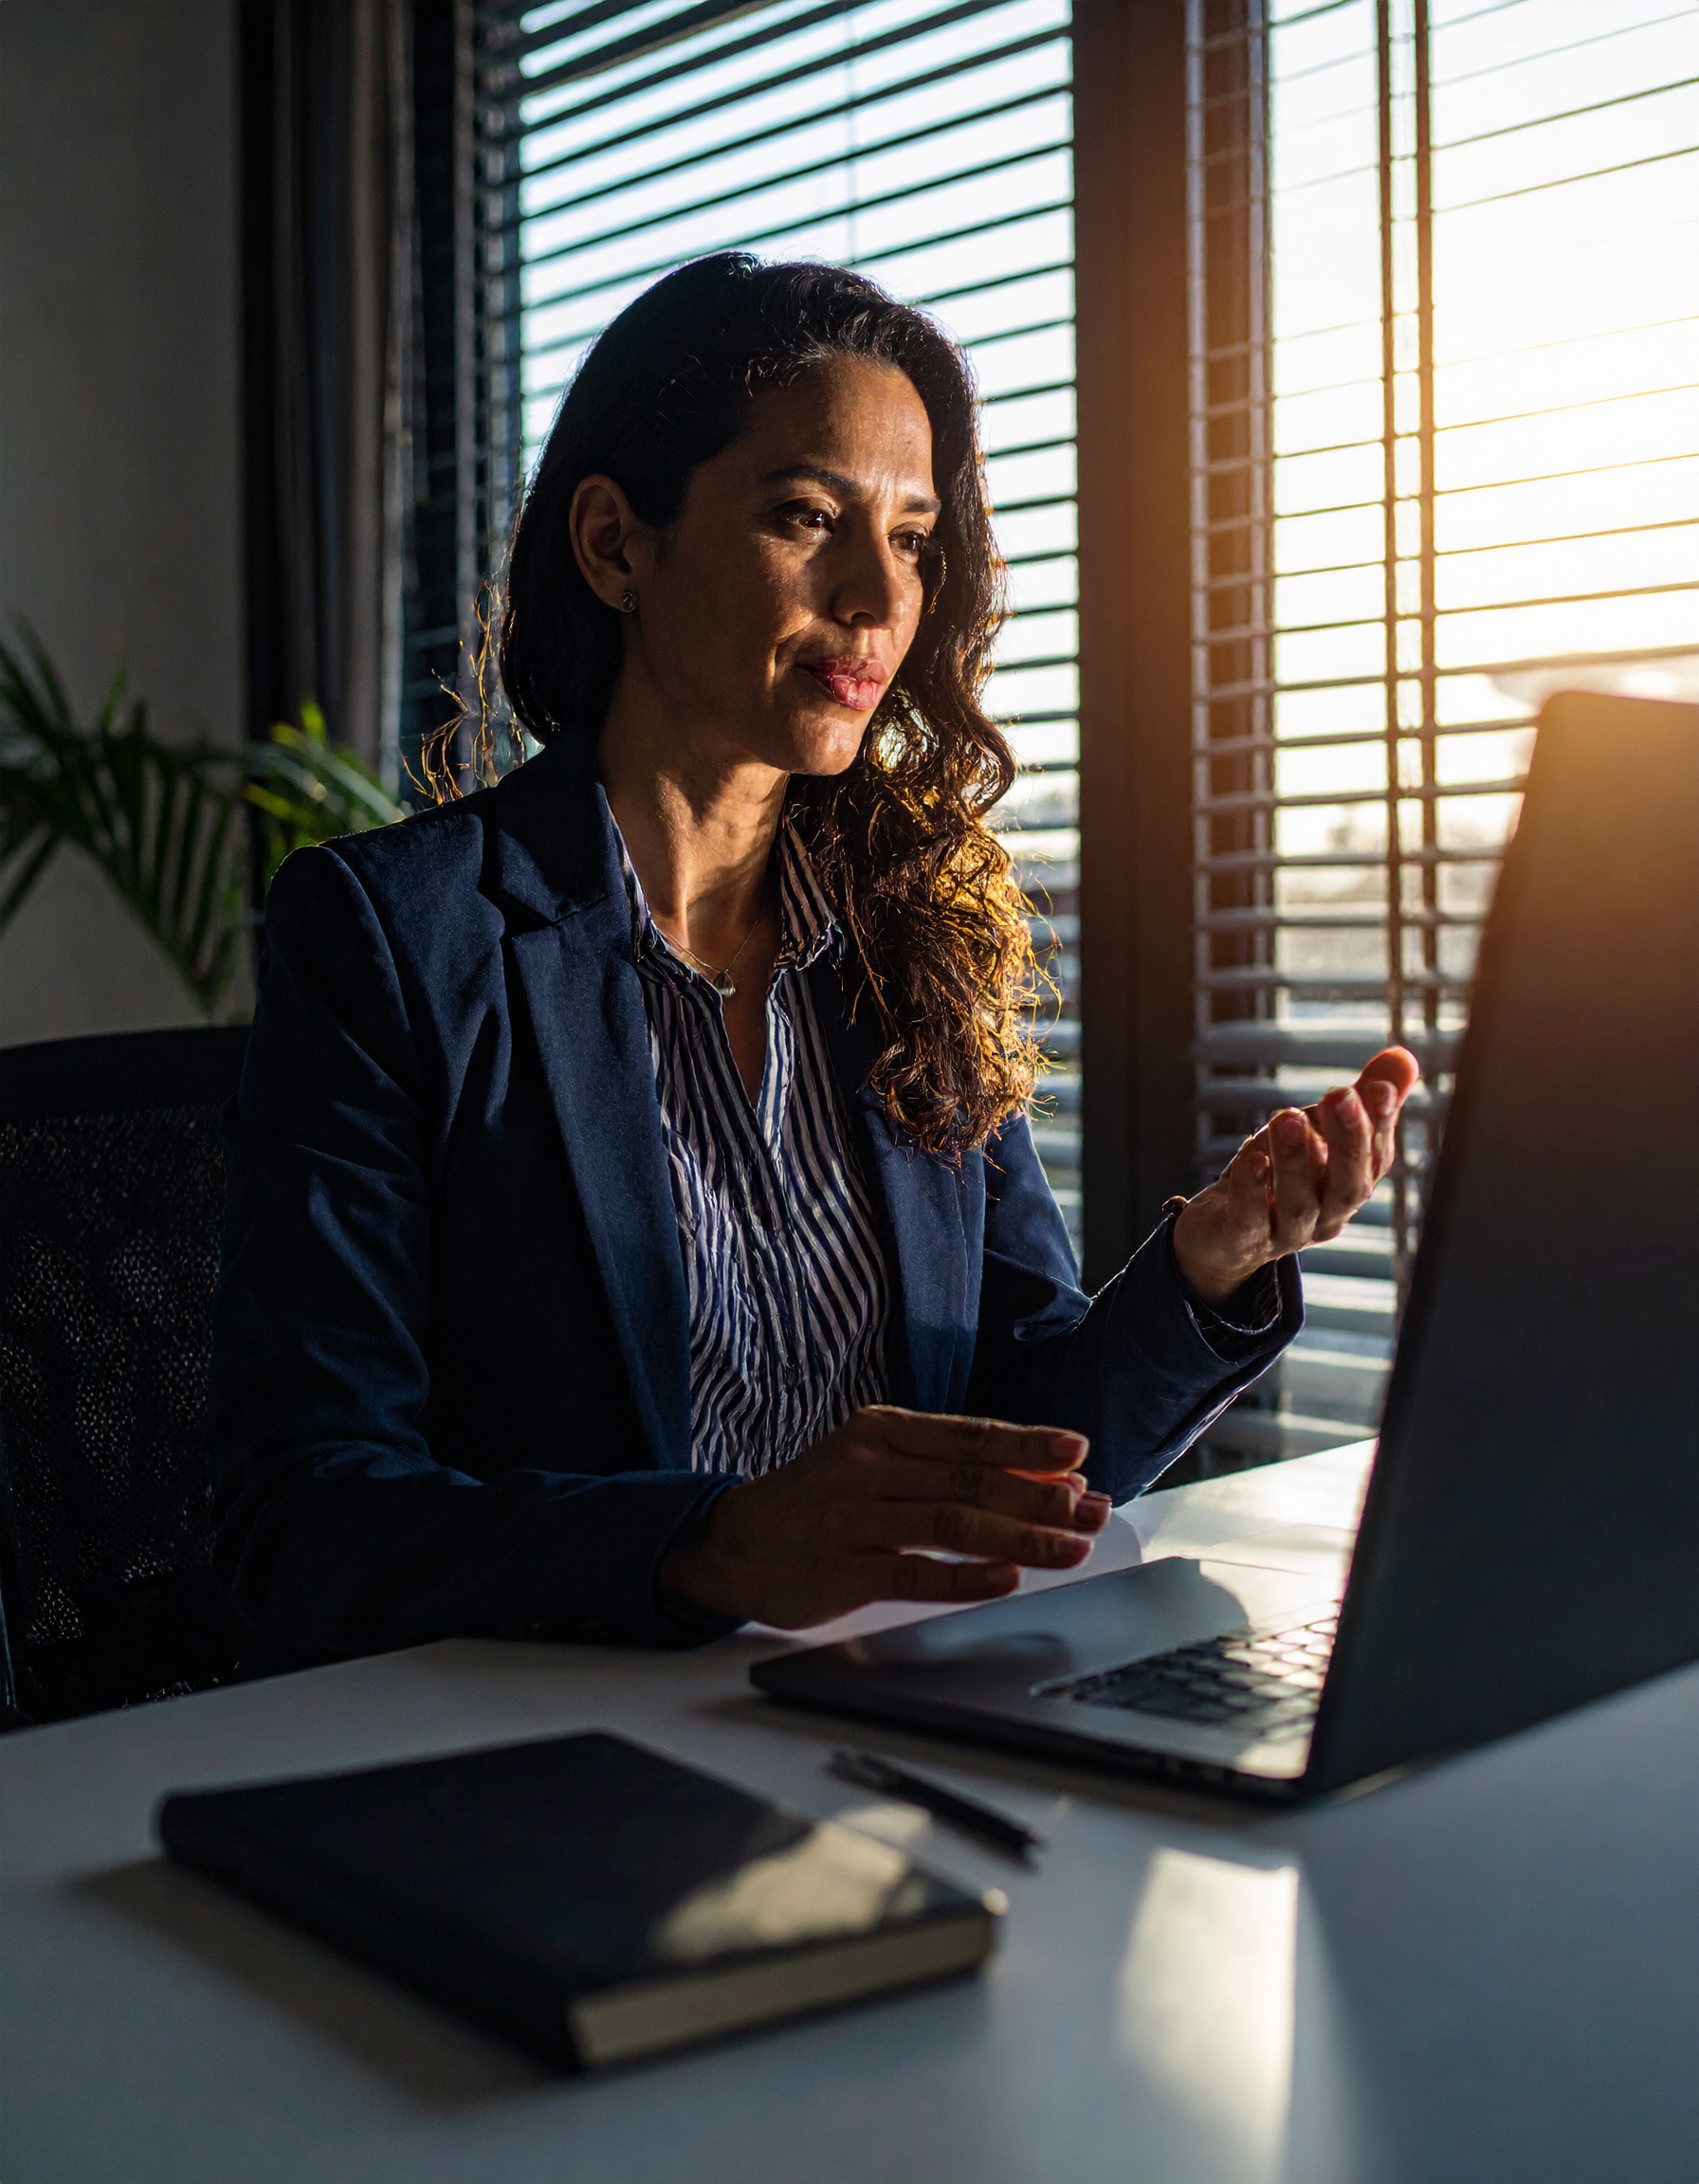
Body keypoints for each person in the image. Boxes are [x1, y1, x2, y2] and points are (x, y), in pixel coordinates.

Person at [206, 254, 1416, 1665]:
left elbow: (1026, 1446)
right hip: (569, 1750)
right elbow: (299, 1518)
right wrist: (708, 1548)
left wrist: (1208, 1272)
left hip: (891, 1722)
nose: (875, 596)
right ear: (615, 546)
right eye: (806, 516)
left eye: (910, 538)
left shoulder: (915, 941)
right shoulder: (394, 937)